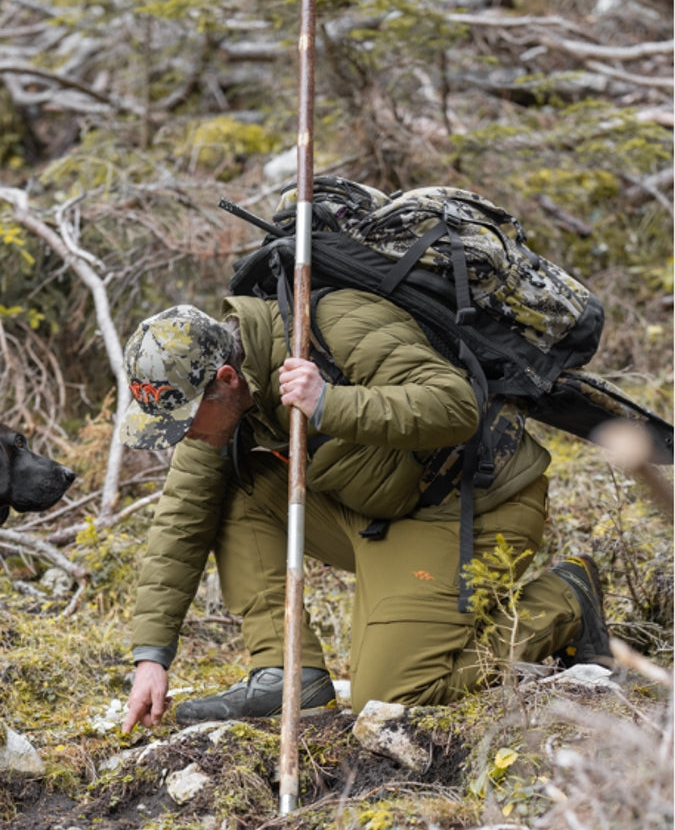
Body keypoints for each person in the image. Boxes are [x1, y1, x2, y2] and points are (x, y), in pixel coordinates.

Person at [118, 254, 613, 734]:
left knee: (390, 695)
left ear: (225, 379)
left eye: (183, 421)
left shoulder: (336, 322)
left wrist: (328, 402)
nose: (182, 436)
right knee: (231, 484)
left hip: (472, 506)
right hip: (377, 506)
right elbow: (182, 519)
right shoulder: (225, 413)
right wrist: (151, 657)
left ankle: (567, 598)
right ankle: (286, 673)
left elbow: (455, 405)